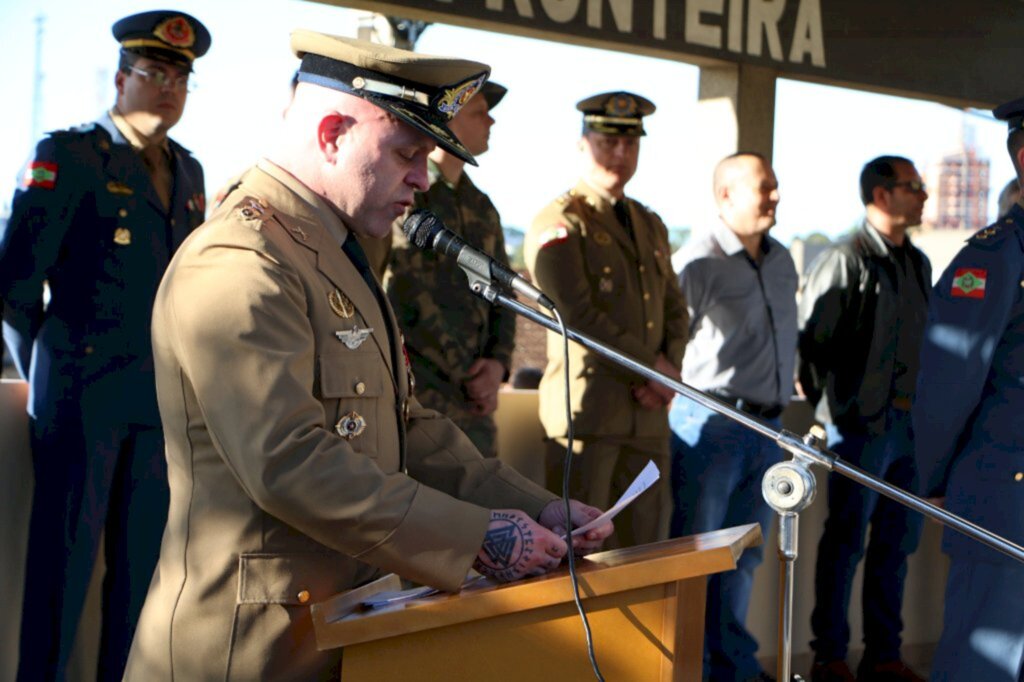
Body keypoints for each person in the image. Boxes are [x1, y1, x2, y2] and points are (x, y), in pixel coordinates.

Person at [122, 32, 612, 680]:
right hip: (248, 649)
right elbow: (288, 460)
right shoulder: (241, 261)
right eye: (408, 153)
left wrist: (532, 505)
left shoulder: (333, 254)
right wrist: (474, 536)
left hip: (339, 626)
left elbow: (402, 428)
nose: (421, 176)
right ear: (331, 134)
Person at [0, 11, 210, 680]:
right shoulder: (70, 154)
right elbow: (15, 284)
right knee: (60, 578)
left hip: (156, 410)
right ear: (121, 79)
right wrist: (50, 370)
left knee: (141, 583)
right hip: (80, 403)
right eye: (153, 73)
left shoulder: (189, 171)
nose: (167, 88)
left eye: (180, 77)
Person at [524, 91, 689, 549]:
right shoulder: (560, 220)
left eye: (631, 143)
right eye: (609, 141)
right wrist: (649, 369)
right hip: (589, 419)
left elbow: (676, 307)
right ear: (583, 143)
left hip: (648, 417)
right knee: (580, 555)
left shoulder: (649, 223)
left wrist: (667, 369)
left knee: (644, 556)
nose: (621, 153)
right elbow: (577, 317)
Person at [799, 156, 930, 682]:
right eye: (912, 186)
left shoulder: (916, 263)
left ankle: (884, 656)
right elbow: (812, 348)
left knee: (897, 545)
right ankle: (830, 656)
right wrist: (837, 411)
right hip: (858, 430)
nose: (923, 195)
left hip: (908, 431)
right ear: (881, 195)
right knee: (845, 545)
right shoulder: (844, 258)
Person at [670, 151, 798, 682]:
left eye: (774, 186)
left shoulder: (783, 258)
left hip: (769, 429)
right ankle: (688, 668)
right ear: (725, 195)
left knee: (746, 555)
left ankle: (732, 669)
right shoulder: (696, 262)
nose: (774, 196)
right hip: (711, 424)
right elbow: (669, 344)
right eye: (763, 187)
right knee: (696, 558)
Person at [914, 97, 1024, 682]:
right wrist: (933, 482)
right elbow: (948, 386)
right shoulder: (994, 258)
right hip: (1005, 506)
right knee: (985, 667)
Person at [381, 81, 513, 457]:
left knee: (487, 505)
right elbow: (400, 291)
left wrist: (497, 365)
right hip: (420, 398)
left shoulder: (482, 206)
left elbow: (503, 292)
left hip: (475, 404)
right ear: (448, 121)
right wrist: (460, 372)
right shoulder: (407, 196)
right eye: (479, 112)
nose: (491, 121)